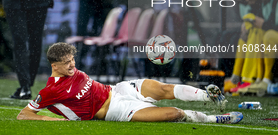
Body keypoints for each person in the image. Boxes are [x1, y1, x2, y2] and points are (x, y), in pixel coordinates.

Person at [17, 42, 243, 124]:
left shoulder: (72, 69)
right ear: (54, 65)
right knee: (172, 114)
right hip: (115, 110)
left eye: (73, 59)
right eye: (66, 62)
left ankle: (208, 95)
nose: (72, 65)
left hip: (119, 89)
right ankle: (216, 119)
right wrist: (53, 121)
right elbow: (24, 114)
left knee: (163, 89)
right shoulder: (50, 90)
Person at [237, 0, 278, 94]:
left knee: (268, 35)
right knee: (251, 35)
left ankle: (266, 79)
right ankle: (249, 79)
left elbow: (269, 25)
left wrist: (263, 25)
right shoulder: (263, 2)